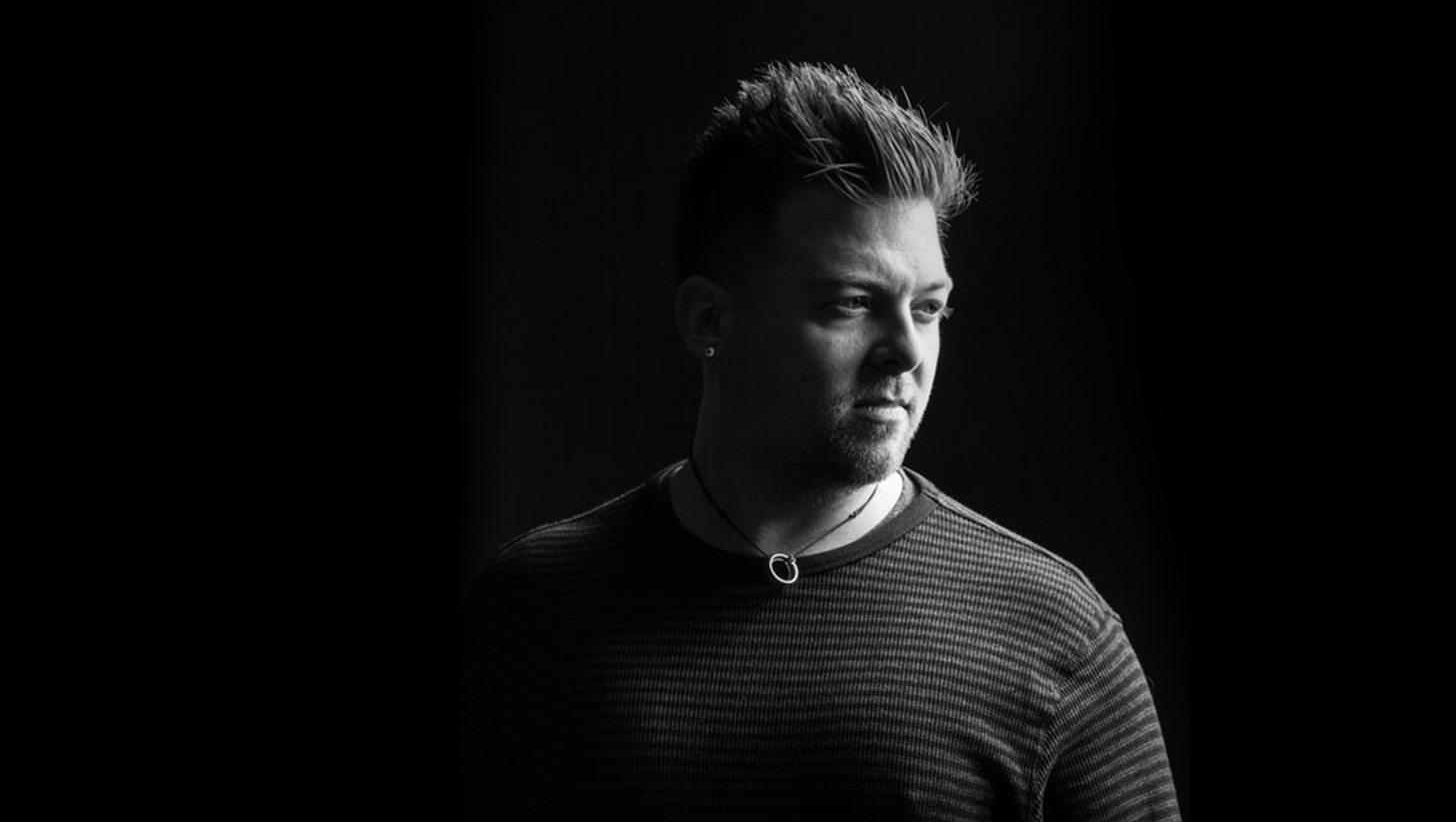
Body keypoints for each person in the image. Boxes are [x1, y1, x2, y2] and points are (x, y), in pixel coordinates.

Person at [459, 62, 1179, 820]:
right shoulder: (531, 613)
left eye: (928, 309)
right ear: (708, 319)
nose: (906, 352)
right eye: (852, 303)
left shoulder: (1055, 633)